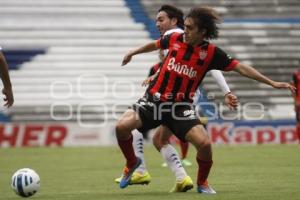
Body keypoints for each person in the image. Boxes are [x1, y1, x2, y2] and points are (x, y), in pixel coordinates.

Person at [114, 4, 238, 192]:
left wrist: (227, 91)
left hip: (180, 103)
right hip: (162, 101)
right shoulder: (172, 40)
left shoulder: (183, 35)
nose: (157, 24)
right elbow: (168, 61)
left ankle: (146, 171)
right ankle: (174, 177)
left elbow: (214, 67)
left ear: (174, 21)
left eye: (161, 19)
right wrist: (152, 73)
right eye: (156, 20)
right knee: (155, 138)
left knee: (162, 137)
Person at [293, 70, 300, 143]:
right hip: (299, 102)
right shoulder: (296, 74)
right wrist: (295, 101)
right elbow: (293, 87)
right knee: (298, 122)